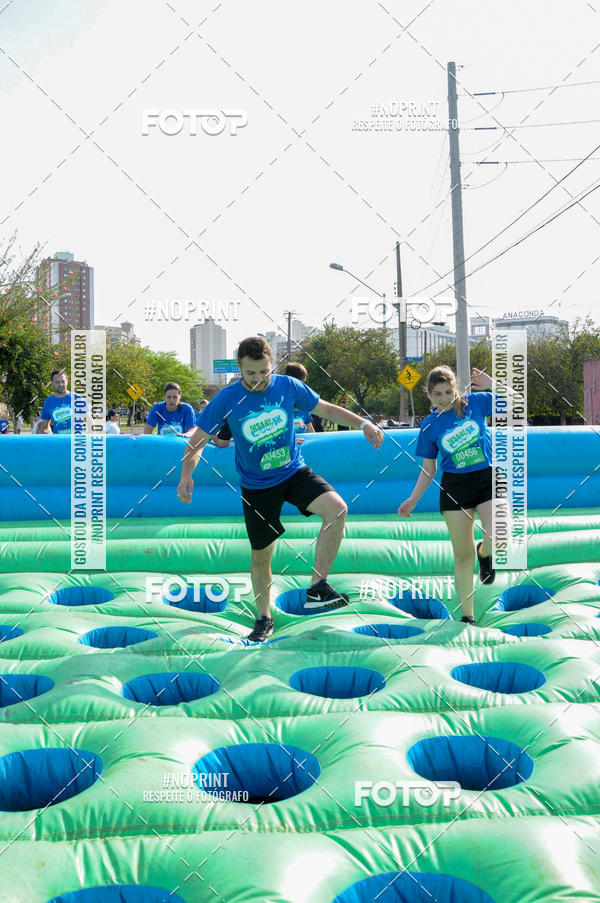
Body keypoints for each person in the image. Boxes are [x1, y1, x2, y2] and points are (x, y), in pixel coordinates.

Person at [177, 335, 385, 642]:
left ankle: (317, 587)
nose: (259, 379)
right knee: (262, 557)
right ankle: (263, 617)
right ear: (239, 368)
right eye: (251, 373)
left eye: (264, 372)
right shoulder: (226, 398)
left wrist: (363, 423)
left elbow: (326, 409)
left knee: (337, 509)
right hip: (257, 486)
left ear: (272, 365)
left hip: (293, 471)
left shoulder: (288, 386)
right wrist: (186, 473)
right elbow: (198, 439)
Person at [397, 366, 504, 626]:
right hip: (455, 486)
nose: (444, 398)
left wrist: (492, 384)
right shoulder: (429, 426)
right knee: (462, 554)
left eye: (448, 392)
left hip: (488, 476)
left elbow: (515, 403)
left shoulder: (476, 403)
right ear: (429, 395)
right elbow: (428, 469)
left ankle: (486, 552)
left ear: (456, 388)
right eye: (438, 394)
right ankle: (467, 615)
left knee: (498, 534)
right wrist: (413, 499)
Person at [37, 369, 86, 435]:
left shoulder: (77, 398)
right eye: (57, 382)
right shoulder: (48, 402)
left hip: (77, 443)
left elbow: (89, 421)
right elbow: (44, 427)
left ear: (67, 381)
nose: (61, 384)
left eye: (63, 381)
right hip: (59, 443)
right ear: (52, 384)